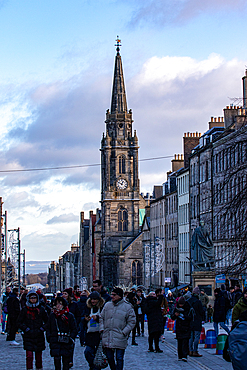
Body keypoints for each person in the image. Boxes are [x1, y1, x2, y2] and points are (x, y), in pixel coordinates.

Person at [99, 287, 136, 370]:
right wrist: (102, 329)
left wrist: (124, 332)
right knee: (109, 357)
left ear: (119, 296)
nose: (111, 296)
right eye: (111, 294)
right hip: (108, 335)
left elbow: (132, 322)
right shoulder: (107, 305)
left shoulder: (127, 307)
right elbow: (101, 317)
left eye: (114, 295)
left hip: (120, 335)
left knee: (119, 358)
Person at [17, 290, 48, 370]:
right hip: (28, 335)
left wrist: (42, 329)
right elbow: (19, 322)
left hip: (38, 335)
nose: (33, 299)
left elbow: (47, 321)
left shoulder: (41, 309)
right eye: (31, 298)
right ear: (28, 299)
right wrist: (26, 329)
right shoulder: (25, 310)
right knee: (29, 356)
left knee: (39, 357)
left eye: (35, 298)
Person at [46, 296, 77, 370]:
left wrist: (71, 338)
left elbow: (74, 328)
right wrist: (49, 337)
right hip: (55, 339)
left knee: (66, 360)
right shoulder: (52, 316)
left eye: (60, 304)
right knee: (57, 359)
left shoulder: (69, 316)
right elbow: (48, 327)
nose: (58, 306)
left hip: (66, 340)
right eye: (56, 304)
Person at [83, 291, 105, 370]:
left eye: (95, 299)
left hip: (99, 334)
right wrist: (85, 319)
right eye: (92, 299)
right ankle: (93, 366)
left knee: (98, 353)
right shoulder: (88, 307)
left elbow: (106, 319)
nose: (93, 301)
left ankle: (96, 366)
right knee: (87, 352)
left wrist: (98, 318)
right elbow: (82, 319)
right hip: (90, 334)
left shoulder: (102, 307)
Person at [62, 288, 80, 368]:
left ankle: (70, 360)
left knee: (70, 345)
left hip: (71, 327)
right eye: (63, 293)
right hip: (62, 327)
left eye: (65, 294)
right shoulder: (60, 304)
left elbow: (78, 315)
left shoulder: (74, 304)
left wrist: (75, 325)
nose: (63, 295)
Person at [171, 296, 192, 362]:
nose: (180, 306)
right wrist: (175, 315)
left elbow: (191, 317)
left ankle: (184, 356)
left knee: (185, 342)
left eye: (181, 304)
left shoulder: (188, 308)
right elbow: (172, 317)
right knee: (179, 342)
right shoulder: (176, 308)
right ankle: (180, 356)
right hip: (179, 327)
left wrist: (184, 316)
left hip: (186, 327)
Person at [188, 287, 204, 357]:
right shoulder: (198, 302)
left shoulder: (189, 301)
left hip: (190, 320)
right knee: (197, 336)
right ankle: (195, 351)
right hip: (197, 320)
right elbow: (201, 312)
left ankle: (190, 350)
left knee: (191, 336)